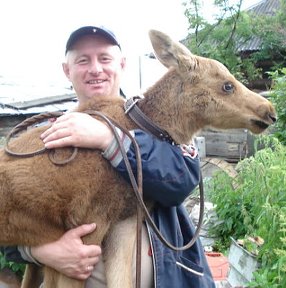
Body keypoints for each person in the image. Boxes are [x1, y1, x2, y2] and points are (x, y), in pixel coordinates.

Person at [0, 26, 215, 288]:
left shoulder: (155, 122)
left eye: (104, 58)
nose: (95, 69)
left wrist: (109, 139)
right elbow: (12, 213)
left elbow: (181, 180)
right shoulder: (47, 135)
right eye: (83, 60)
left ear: (121, 65)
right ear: (67, 71)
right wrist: (39, 252)